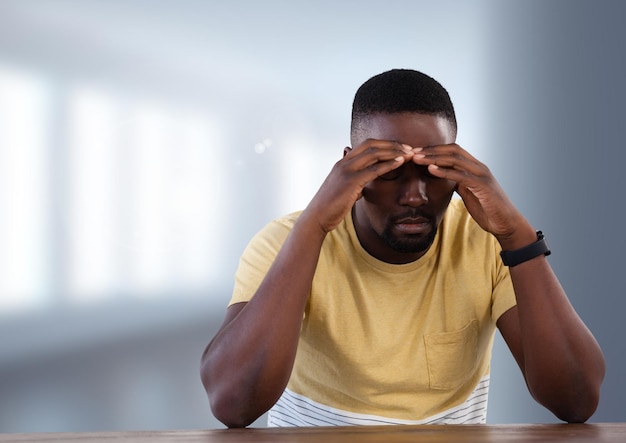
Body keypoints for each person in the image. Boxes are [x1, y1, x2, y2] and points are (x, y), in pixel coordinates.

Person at [200, 69, 605, 428]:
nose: (415, 196)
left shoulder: (485, 242)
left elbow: (575, 400)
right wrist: (315, 225)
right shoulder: (285, 240)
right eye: (390, 172)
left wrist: (517, 235)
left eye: (435, 172)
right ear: (349, 168)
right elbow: (233, 405)